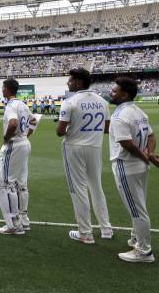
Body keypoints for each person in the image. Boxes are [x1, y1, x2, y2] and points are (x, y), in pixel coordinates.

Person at [109, 77, 159, 263]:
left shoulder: (119, 115)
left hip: (127, 166)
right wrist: (150, 153)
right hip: (140, 167)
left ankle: (144, 251)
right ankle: (136, 239)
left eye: (115, 91)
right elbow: (151, 135)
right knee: (139, 204)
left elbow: (126, 143)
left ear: (124, 94)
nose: (112, 93)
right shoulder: (138, 112)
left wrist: (145, 156)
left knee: (137, 209)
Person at [56, 69, 113, 244]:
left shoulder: (70, 102)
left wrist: (74, 128)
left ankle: (85, 232)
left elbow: (60, 131)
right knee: (96, 187)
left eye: (71, 80)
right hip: (95, 146)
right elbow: (106, 128)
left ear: (79, 83)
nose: (68, 83)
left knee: (78, 188)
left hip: (74, 147)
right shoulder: (103, 102)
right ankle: (106, 229)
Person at [0, 78, 35, 235]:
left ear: (7, 89)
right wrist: (26, 134)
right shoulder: (23, 104)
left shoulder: (11, 105)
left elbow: (12, 123)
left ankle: (14, 224)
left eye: (3, 88)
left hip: (14, 145)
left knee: (7, 183)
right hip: (24, 143)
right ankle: (24, 220)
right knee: (21, 184)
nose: (2, 90)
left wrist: (6, 138)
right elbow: (34, 120)